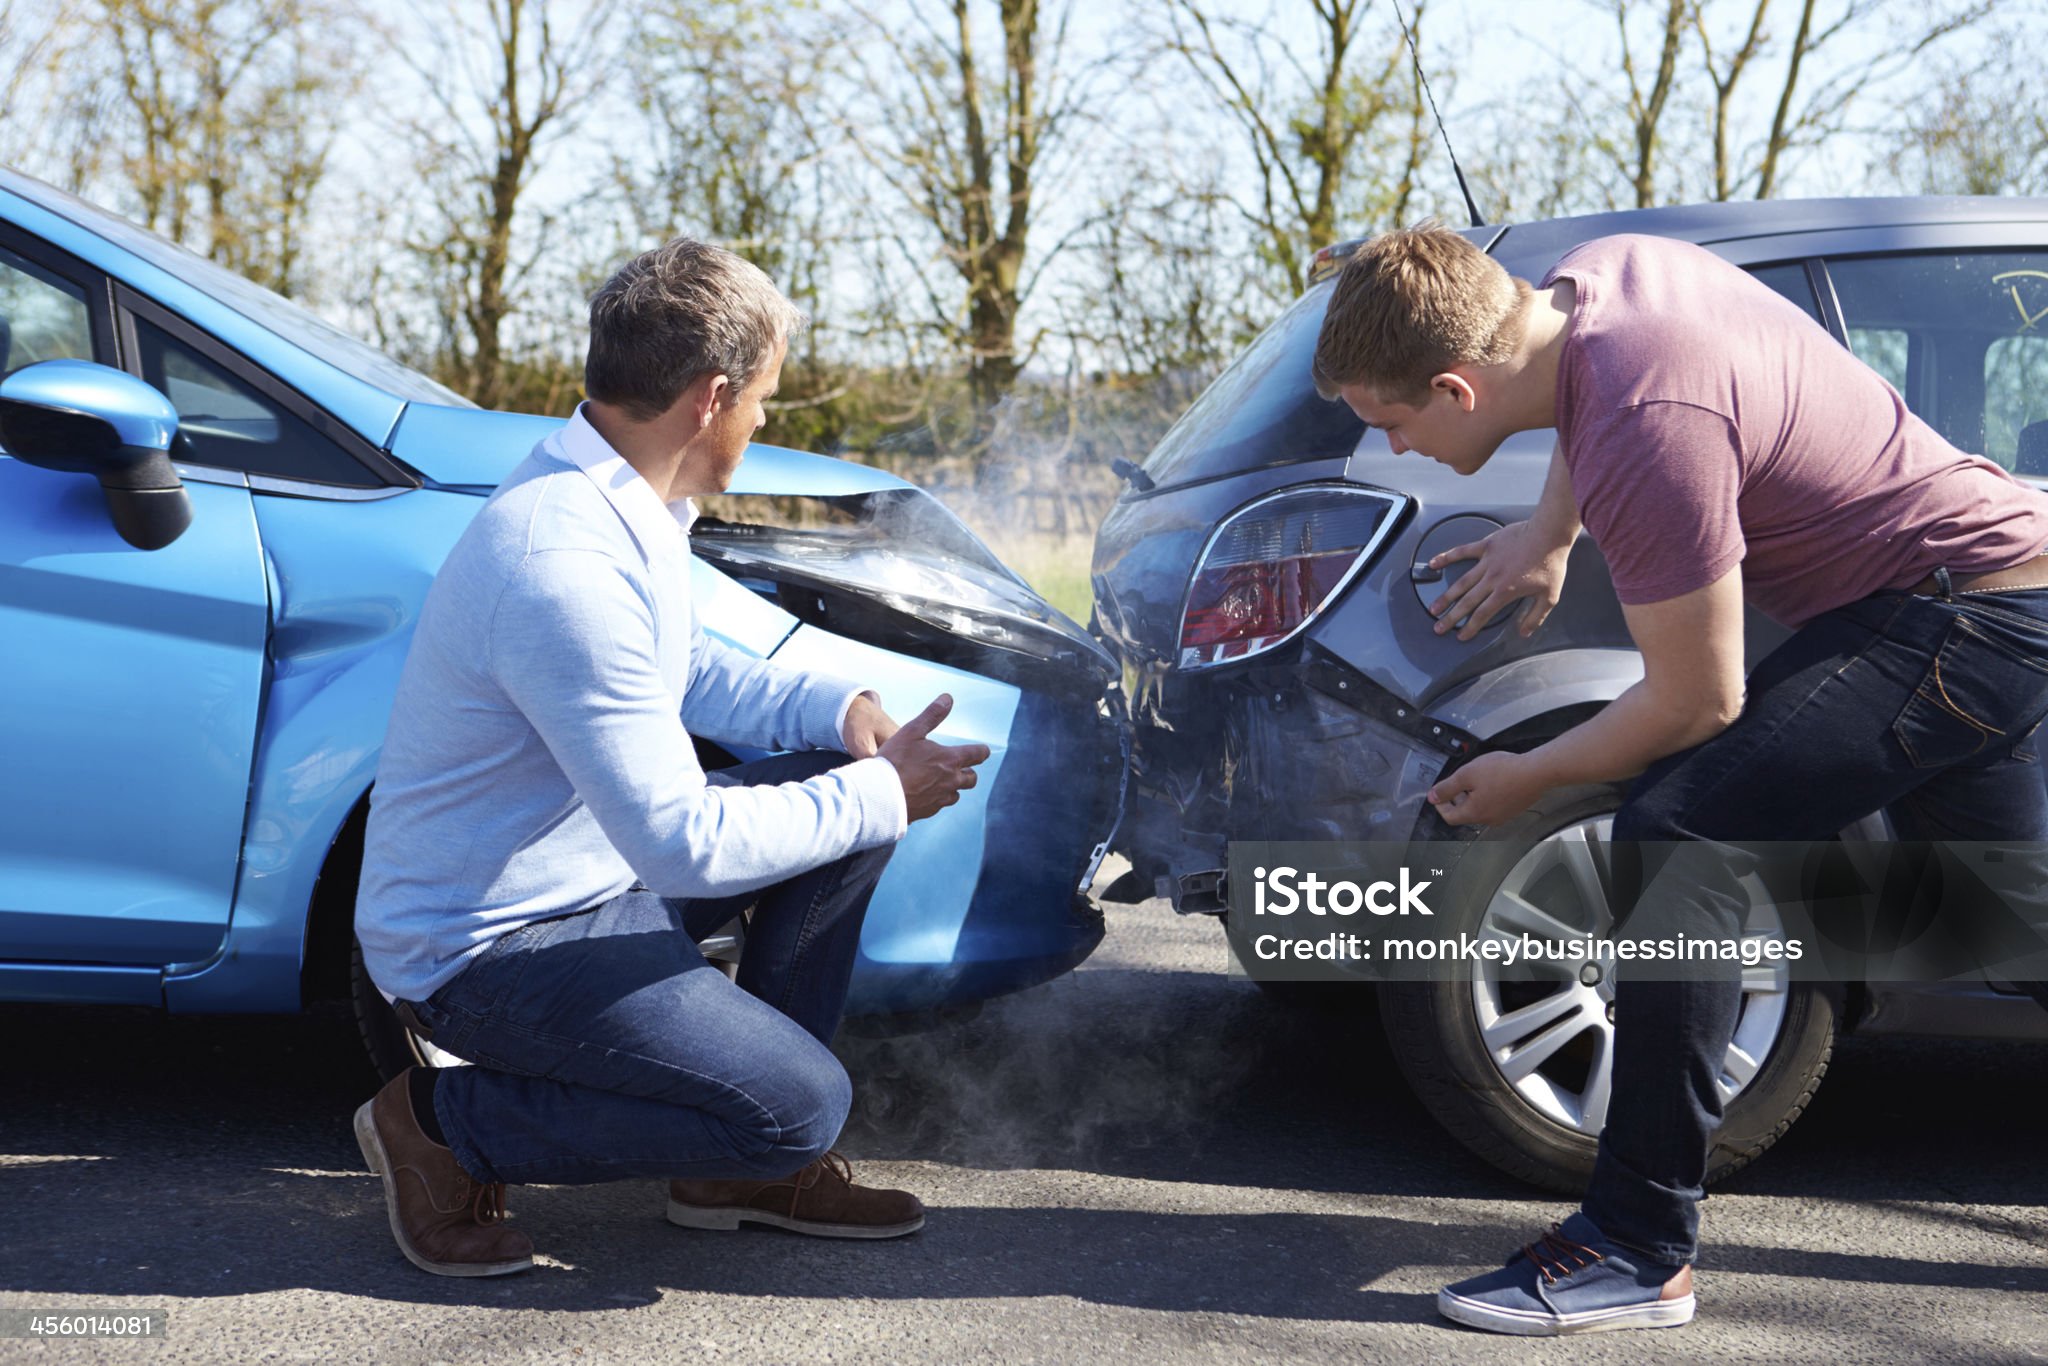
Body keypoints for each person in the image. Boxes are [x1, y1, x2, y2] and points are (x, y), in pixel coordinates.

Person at [1311, 222, 2048, 1335]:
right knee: (2002, 919)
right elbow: (1583, 393)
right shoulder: (1595, 283)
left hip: (1957, 618)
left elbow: (1697, 701)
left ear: (1457, 386)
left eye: (1392, 421)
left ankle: (1634, 1242)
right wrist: (1550, 531)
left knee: (1675, 835)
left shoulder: (1646, 421)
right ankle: (1635, 1237)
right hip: (1988, 588)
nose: (1395, 446)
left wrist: (1529, 775)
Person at [351, 237, 989, 1277]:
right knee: (800, 1104)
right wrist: (878, 792)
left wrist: (844, 712)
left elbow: (686, 667)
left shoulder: (616, 500)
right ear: (712, 397)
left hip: (589, 884)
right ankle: (440, 1123)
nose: (762, 421)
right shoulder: (559, 561)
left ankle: (732, 1167)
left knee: (834, 810)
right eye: (765, 401)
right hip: (487, 949)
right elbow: (682, 844)